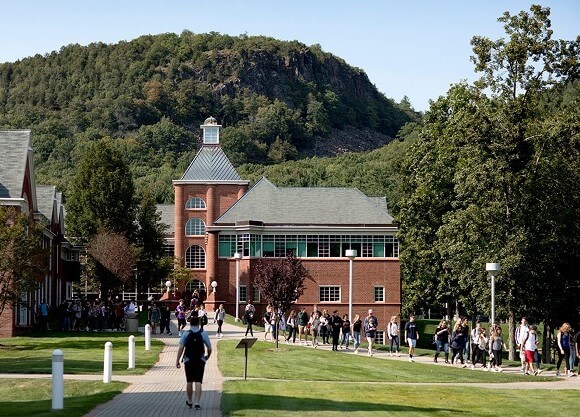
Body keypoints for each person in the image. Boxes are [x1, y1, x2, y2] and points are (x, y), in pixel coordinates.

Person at [176, 315, 212, 410]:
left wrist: (177, 360)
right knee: (198, 381)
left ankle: (189, 400)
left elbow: (181, 348)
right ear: (199, 323)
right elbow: (209, 347)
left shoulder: (186, 334)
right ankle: (197, 403)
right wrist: (207, 356)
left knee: (189, 381)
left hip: (188, 360)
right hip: (200, 360)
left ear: (190, 323)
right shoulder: (203, 334)